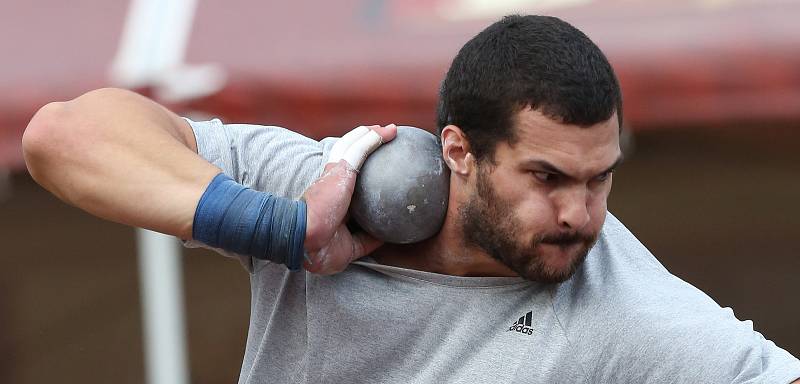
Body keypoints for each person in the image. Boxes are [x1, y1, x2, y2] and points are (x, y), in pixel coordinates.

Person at [23, 14, 800, 383]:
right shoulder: (335, 186)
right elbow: (63, 136)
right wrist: (281, 230)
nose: (580, 215)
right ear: (459, 151)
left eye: (600, 178)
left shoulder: (632, 315)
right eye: (547, 178)